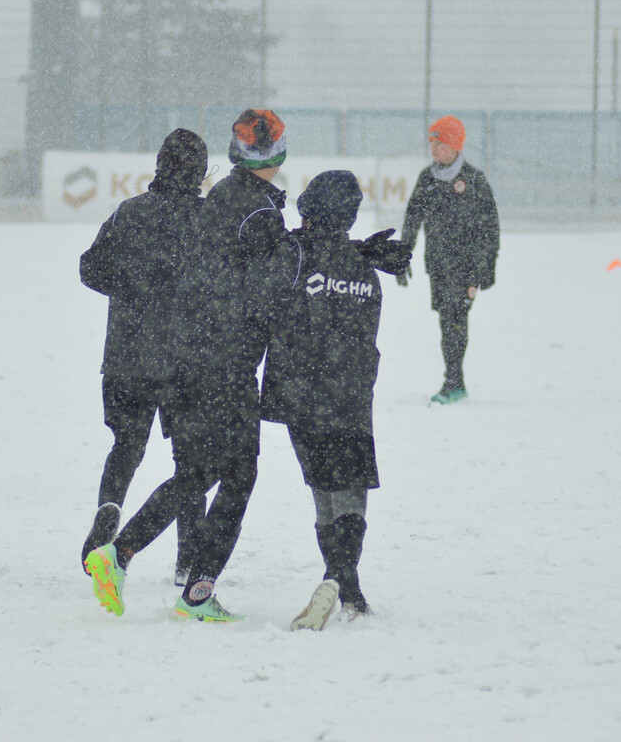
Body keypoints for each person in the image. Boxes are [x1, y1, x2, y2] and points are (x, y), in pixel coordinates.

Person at [84, 110, 411, 624]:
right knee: (236, 477)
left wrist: (351, 252)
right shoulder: (260, 212)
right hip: (225, 364)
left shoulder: (222, 198)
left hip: (186, 355)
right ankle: (190, 591)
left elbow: (281, 257)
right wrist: (354, 259)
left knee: (199, 473)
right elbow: (280, 277)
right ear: (277, 155)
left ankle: (125, 559)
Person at [259, 170, 394, 631]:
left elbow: (264, 301)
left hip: (302, 395)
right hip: (352, 395)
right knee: (351, 494)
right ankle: (344, 584)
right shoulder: (364, 268)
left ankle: (339, 580)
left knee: (322, 493)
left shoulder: (291, 254)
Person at [78, 128, 208, 582]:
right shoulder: (206, 219)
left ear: (159, 164)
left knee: (126, 447)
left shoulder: (129, 212)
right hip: (184, 361)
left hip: (126, 356)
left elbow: (89, 268)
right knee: (191, 461)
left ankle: (109, 510)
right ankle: (189, 558)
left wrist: (132, 289)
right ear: (200, 173)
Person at [396, 115, 499, 403]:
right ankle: (455, 380)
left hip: (466, 268)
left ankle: (453, 381)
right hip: (439, 264)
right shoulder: (427, 179)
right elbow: (412, 218)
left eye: (439, 143)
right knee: (447, 320)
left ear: (454, 145)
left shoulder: (474, 180)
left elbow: (490, 227)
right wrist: (402, 257)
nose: (434, 150)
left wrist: (486, 268)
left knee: (457, 318)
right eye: (432, 144)